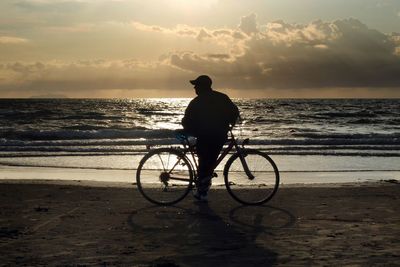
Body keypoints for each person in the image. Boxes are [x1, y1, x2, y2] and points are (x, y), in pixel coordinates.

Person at [182, 75, 239, 201]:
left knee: (205, 162)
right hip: (219, 135)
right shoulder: (222, 97)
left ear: (202, 86)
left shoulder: (196, 101)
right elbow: (234, 111)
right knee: (209, 162)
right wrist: (231, 123)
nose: (195, 88)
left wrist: (190, 129)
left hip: (204, 135)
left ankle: (202, 189)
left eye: (196, 85)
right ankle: (203, 189)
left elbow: (186, 120)